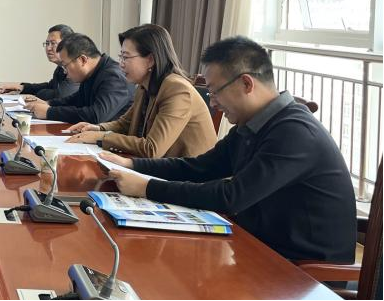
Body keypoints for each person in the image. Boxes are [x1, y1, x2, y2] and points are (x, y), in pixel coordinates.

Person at [101, 36, 356, 263]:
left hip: (301, 269)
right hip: (258, 246)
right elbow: (201, 167)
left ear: (246, 84)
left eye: (214, 92)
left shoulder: (294, 132)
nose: (213, 103)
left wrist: (147, 187)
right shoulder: (252, 124)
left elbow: (232, 196)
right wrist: (133, 165)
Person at [65, 24, 216, 158]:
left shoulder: (177, 89)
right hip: (162, 168)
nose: (121, 64)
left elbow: (152, 149)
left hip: (190, 176)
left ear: (150, 60)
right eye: (121, 57)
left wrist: (102, 137)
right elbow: (125, 124)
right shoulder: (144, 86)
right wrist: (98, 128)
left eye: (126, 57)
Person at [24, 33, 133, 123]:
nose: (65, 71)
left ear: (83, 60)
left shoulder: (114, 77)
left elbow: (96, 115)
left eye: (65, 65)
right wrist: (48, 104)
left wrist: (49, 112)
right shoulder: (93, 72)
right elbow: (76, 100)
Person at [0, 24, 79, 100]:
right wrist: (21, 87)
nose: (48, 48)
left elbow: (61, 97)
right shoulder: (61, 68)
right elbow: (50, 86)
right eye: (47, 43)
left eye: (53, 43)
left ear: (67, 45)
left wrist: (42, 93)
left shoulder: (75, 67)